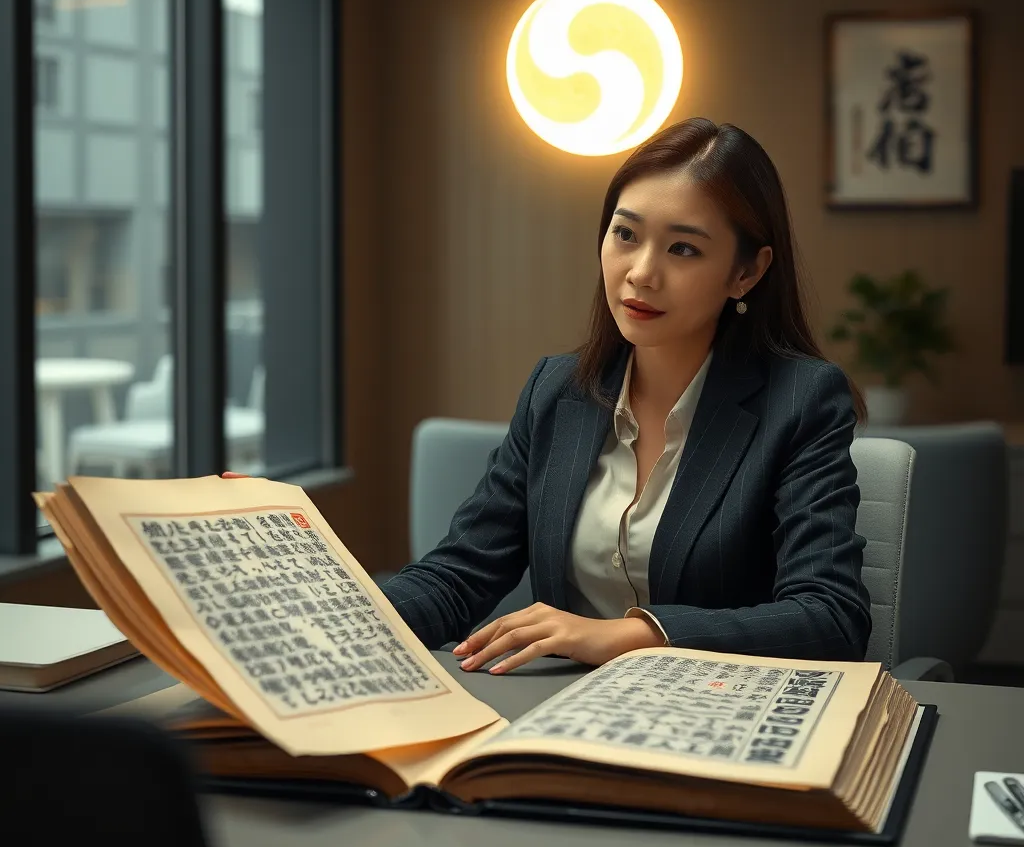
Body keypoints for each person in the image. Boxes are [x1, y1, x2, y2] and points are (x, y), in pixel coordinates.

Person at [229, 117, 873, 676]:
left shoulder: (802, 400)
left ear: (747, 271)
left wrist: (630, 636)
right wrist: (311, 607)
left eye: (682, 248)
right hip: (562, 716)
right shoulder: (558, 391)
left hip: (718, 718)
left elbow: (830, 617)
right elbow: (456, 578)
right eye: (625, 235)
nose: (641, 272)